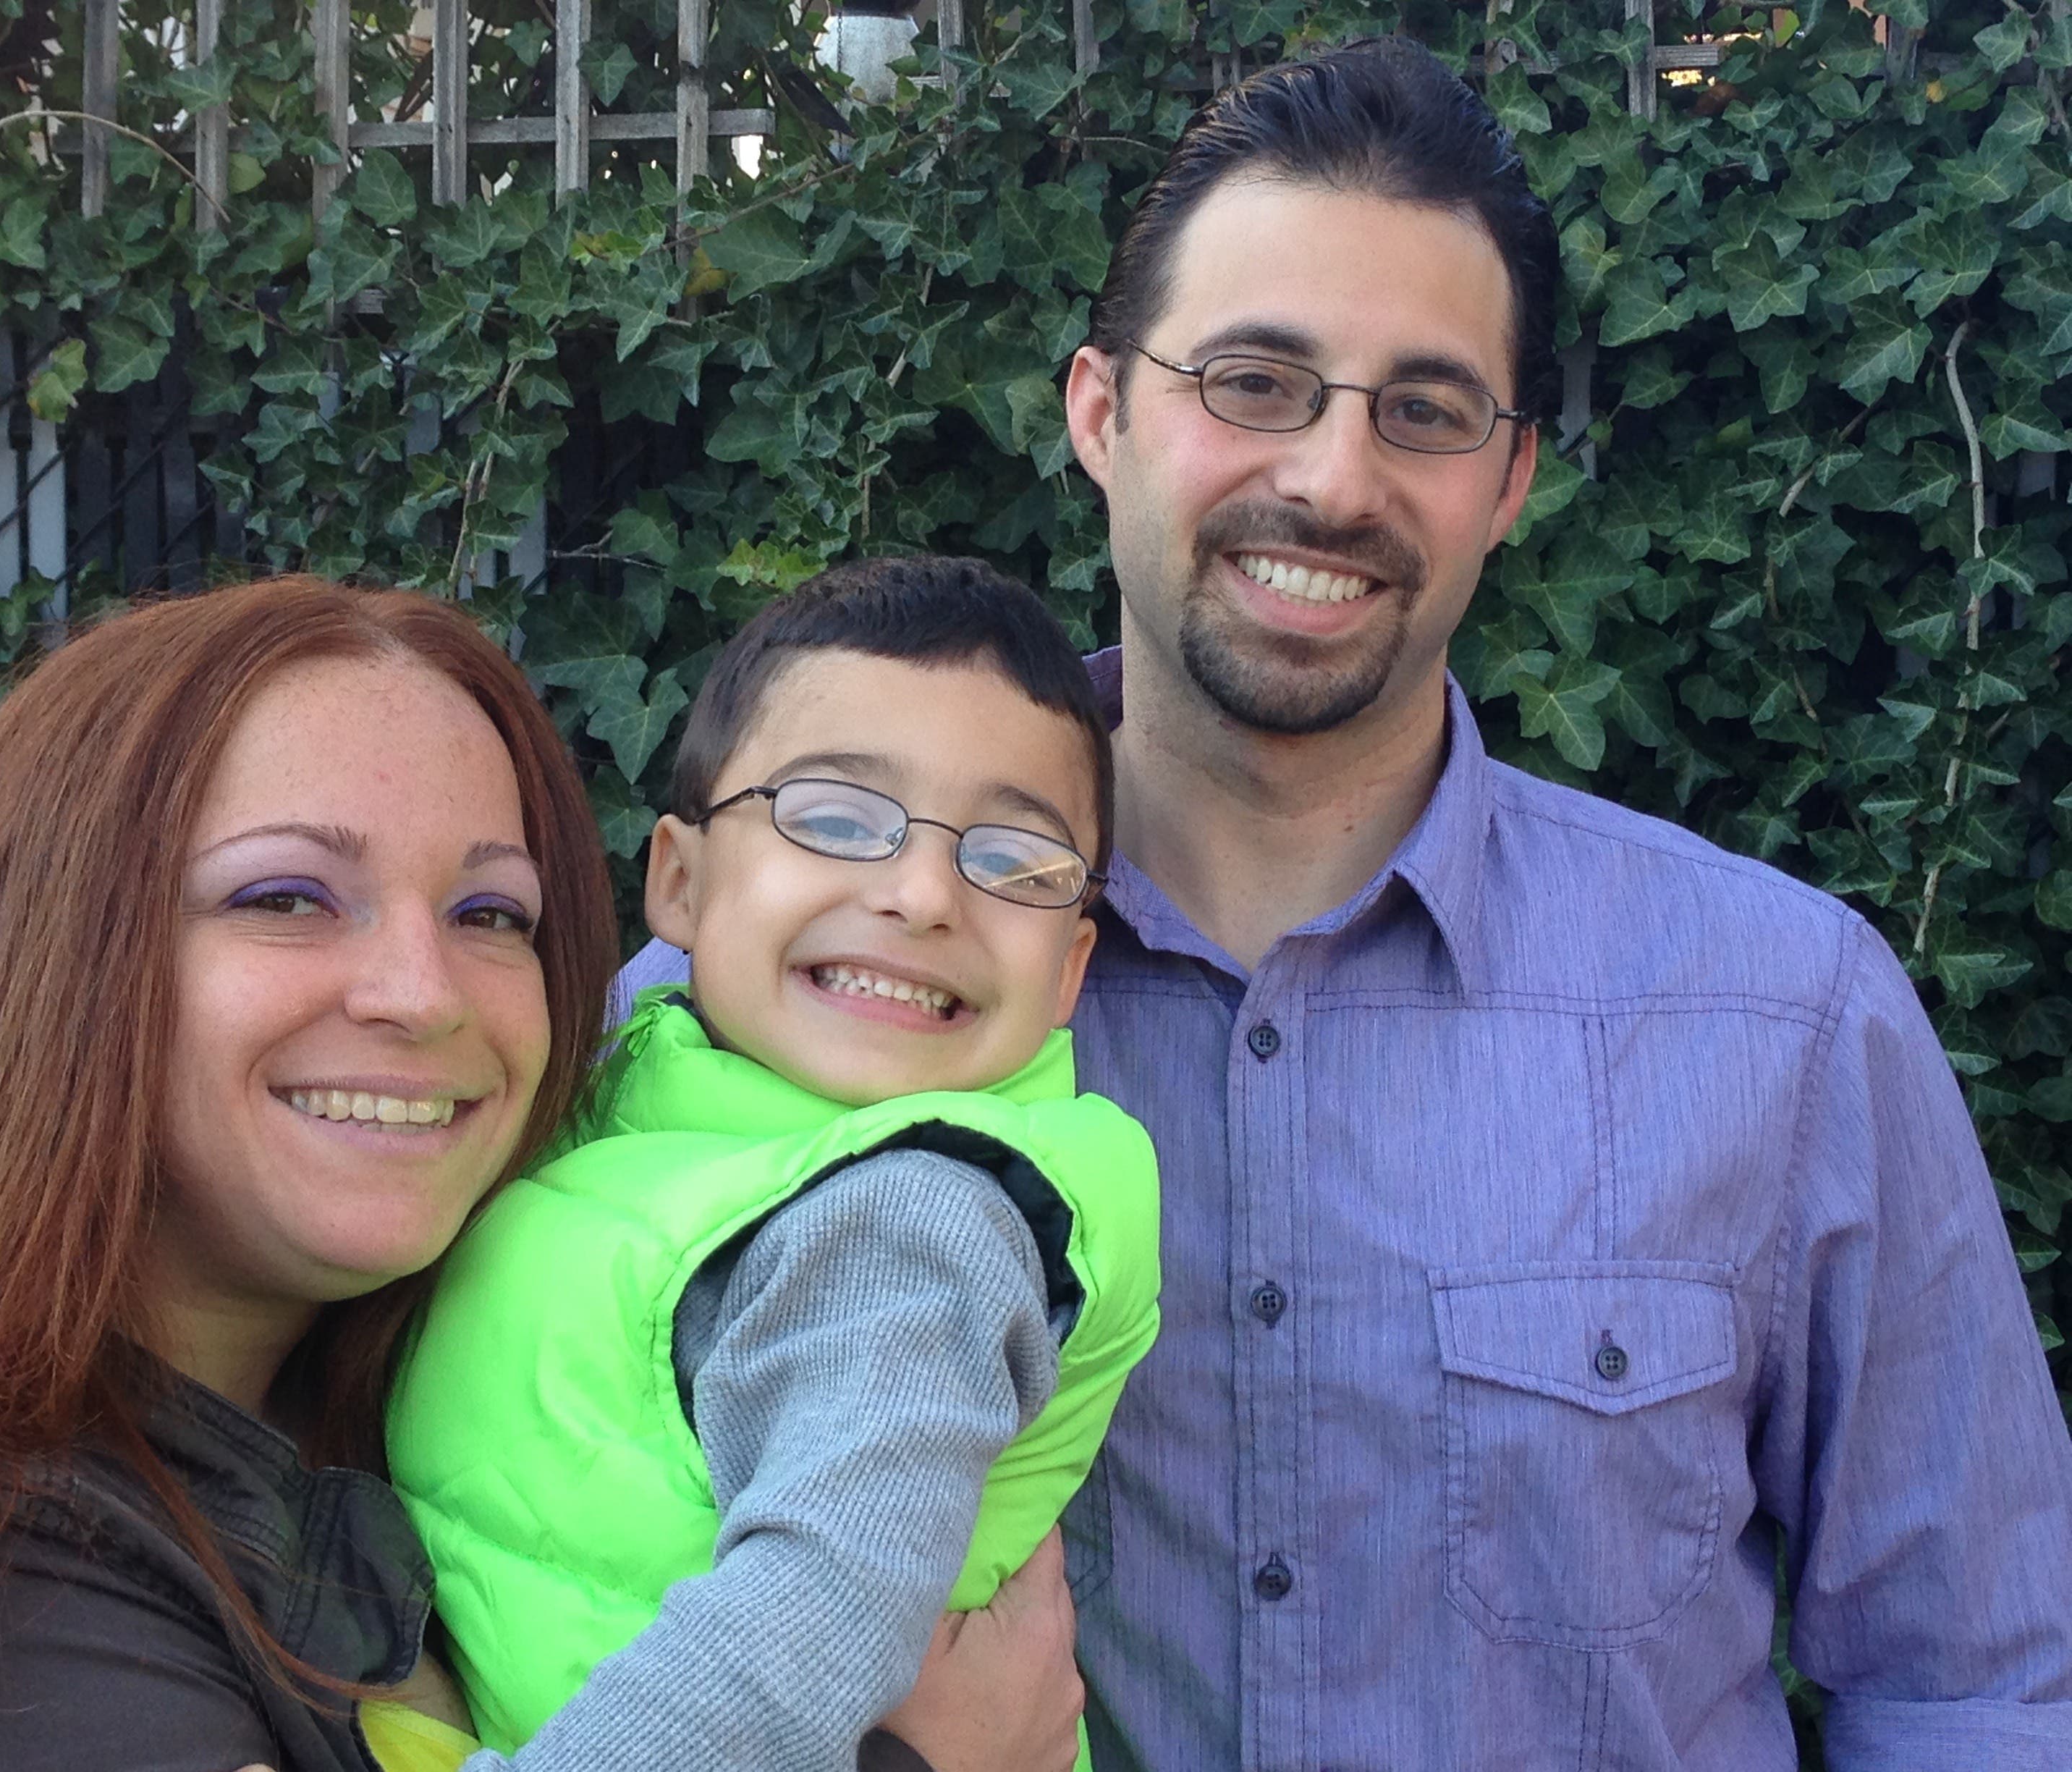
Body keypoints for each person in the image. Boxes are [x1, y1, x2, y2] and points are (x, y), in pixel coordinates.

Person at [615, 35, 2072, 1772]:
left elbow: (1981, 1689)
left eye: (1427, 412)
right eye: (1255, 381)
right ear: (1100, 413)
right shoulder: (779, 985)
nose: (1330, 479)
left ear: (1510, 481)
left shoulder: (1783, 1017)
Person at [0, 576, 1086, 1772]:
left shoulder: (425, 1383)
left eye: (492, 913)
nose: (424, 994)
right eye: (285, 897)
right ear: (48, 950)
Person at [391, 556, 1160, 1772]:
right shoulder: (627, 1111)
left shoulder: (916, 1222)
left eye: (1014, 861)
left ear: (1069, 970)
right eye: (837, 819)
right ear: (680, 882)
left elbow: (810, 1619)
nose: (923, 894)